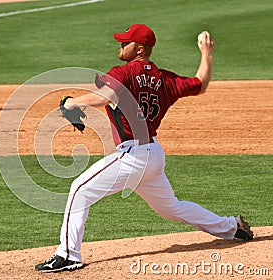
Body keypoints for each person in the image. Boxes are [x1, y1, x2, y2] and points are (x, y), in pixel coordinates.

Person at [35, 24, 253, 273]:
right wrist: (207, 54)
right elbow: (200, 84)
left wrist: (72, 102)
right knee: (171, 207)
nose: (120, 45)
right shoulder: (165, 79)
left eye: (125, 43)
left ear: (139, 49)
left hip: (133, 156)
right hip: (152, 155)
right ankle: (231, 226)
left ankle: (68, 254)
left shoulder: (123, 72)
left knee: (79, 189)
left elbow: (104, 97)